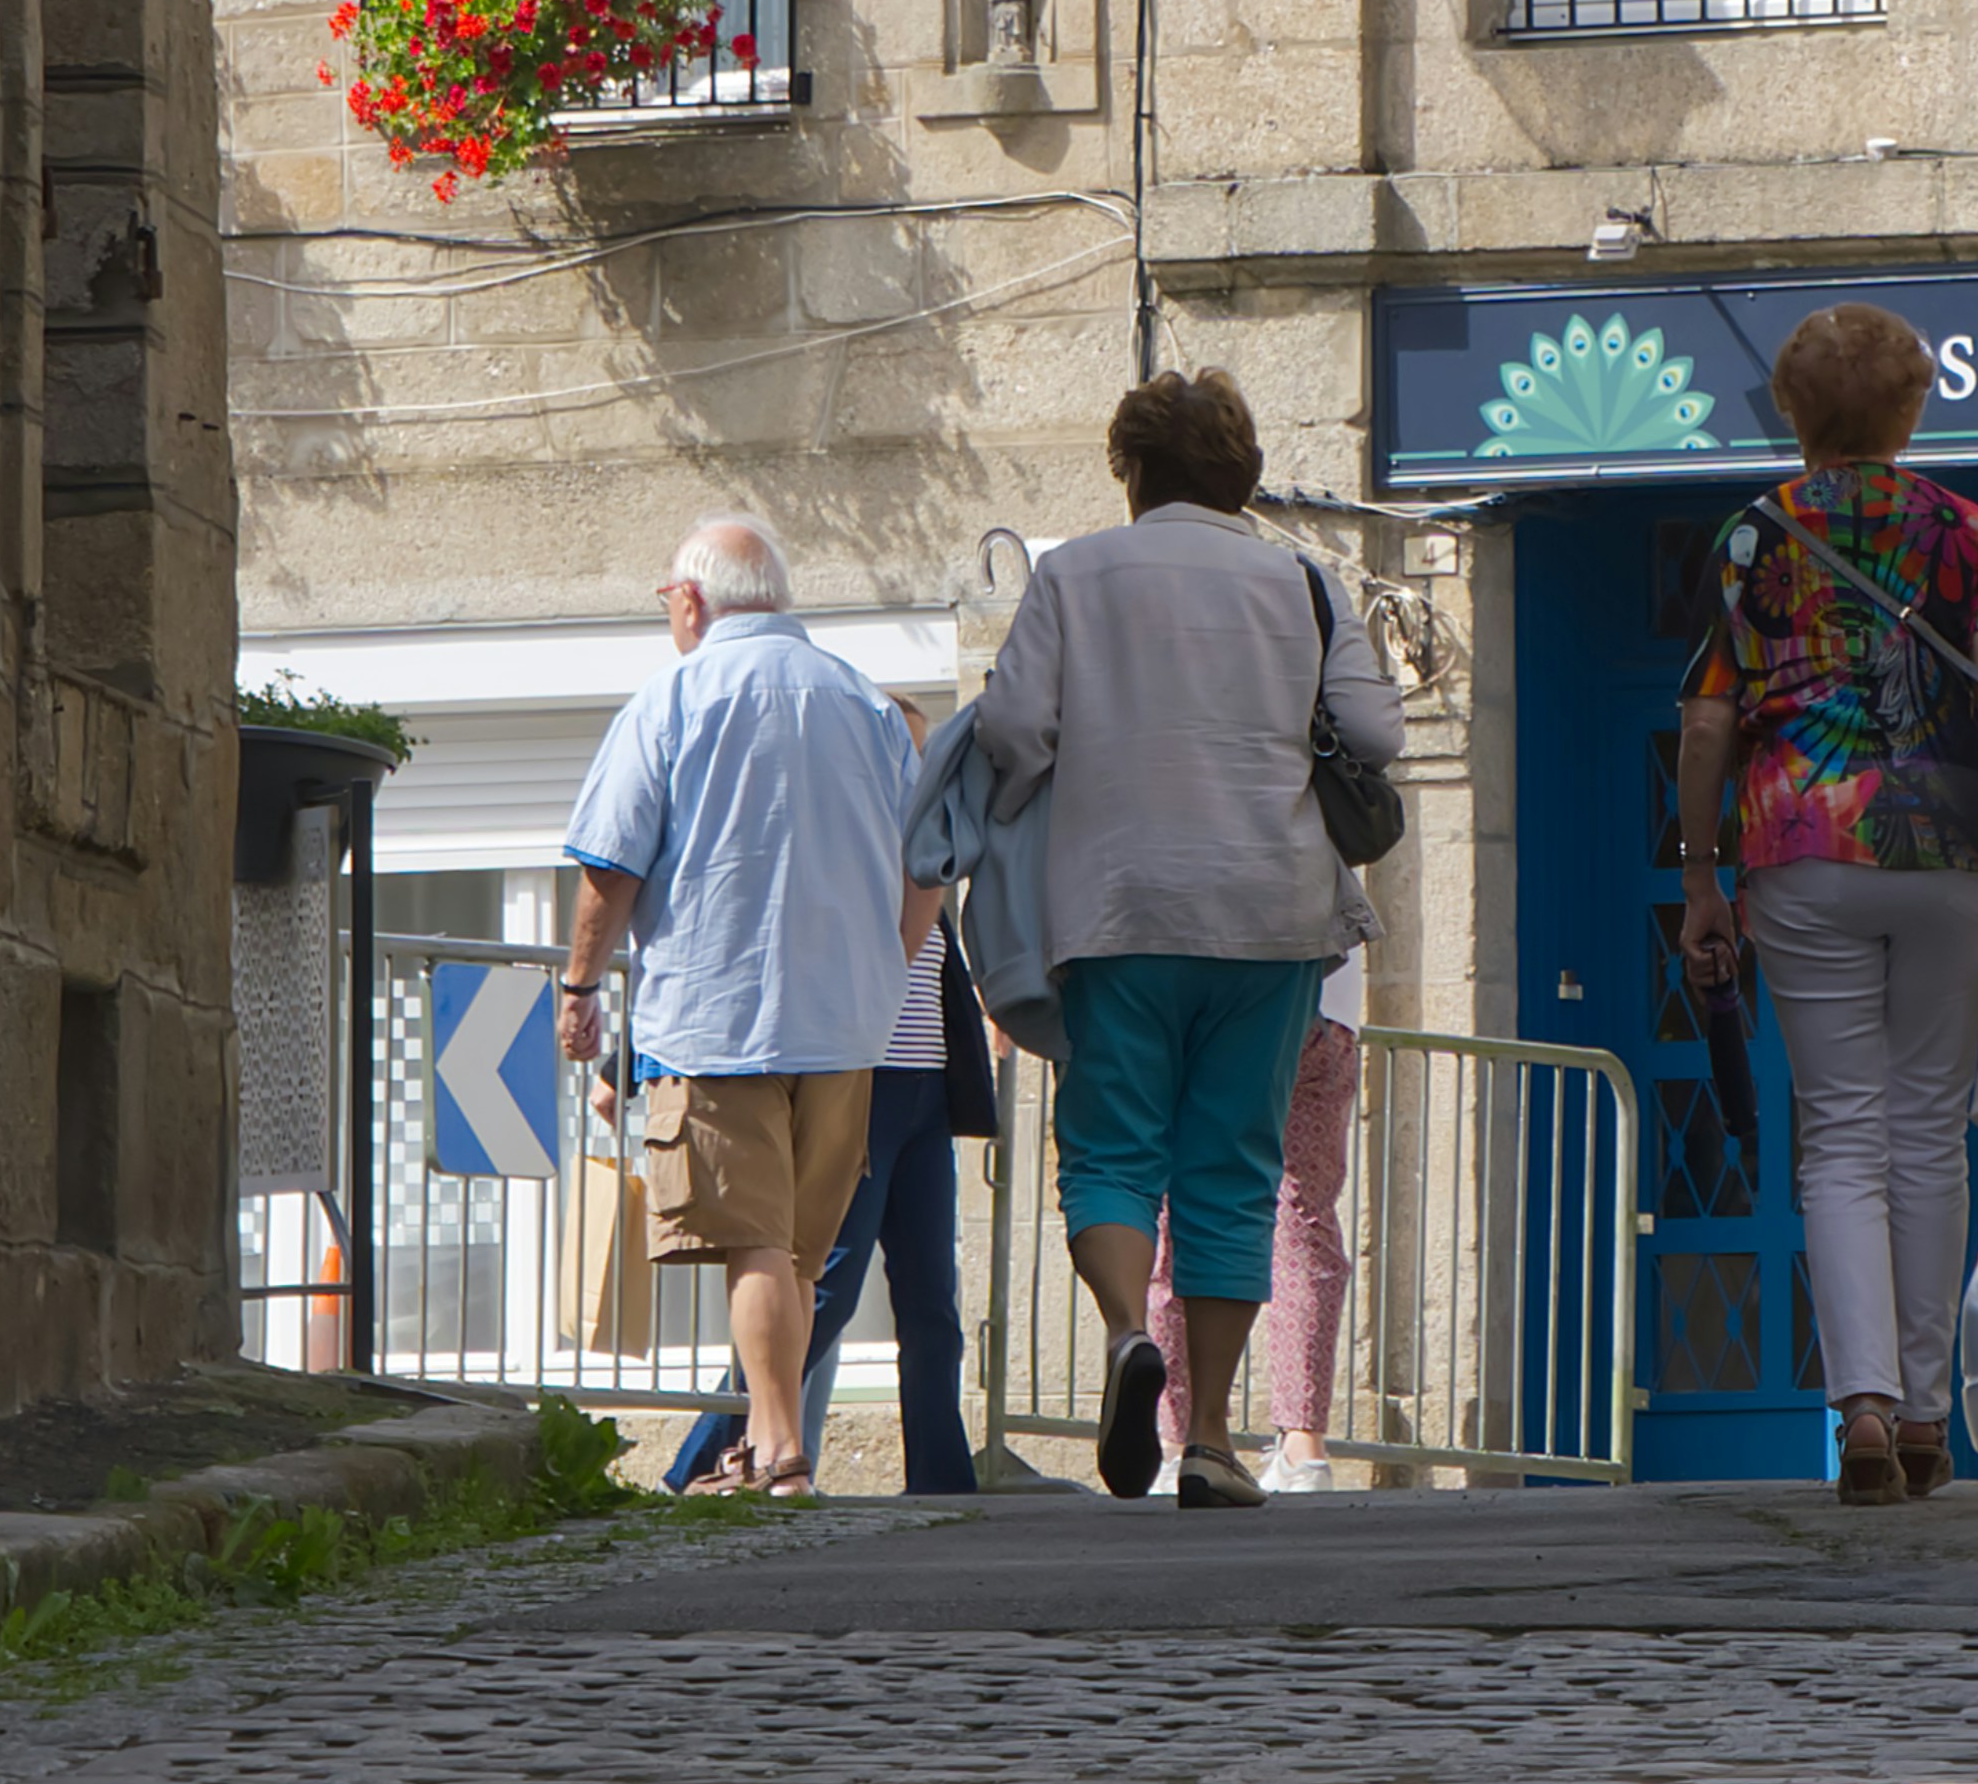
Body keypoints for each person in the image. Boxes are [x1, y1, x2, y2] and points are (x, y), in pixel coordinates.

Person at [1669, 303, 1978, 1506]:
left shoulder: (1751, 535)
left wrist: (1699, 874)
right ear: (1910, 407)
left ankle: (1861, 1407)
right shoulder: (1963, 529)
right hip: (1949, 843)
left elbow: (1705, 719)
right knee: (1928, 1126)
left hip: (1800, 844)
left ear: (1791, 410)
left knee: (1841, 1129)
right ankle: (1930, 1411)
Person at [980, 368, 1401, 1509]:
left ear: (1130, 469)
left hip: (1117, 907)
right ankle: (1212, 1438)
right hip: (1270, 913)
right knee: (1232, 1166)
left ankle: (1130, 1333)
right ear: (1242, 473)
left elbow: (1013, 730)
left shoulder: (1072, 575)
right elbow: (1373, 733)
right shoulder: (1302, 580)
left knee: (1114, 1149)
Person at [556, 515, 937, 1500]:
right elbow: (928, 864)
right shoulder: (864, 702)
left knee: (758, 1240)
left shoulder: (674, 697)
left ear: (690, 600)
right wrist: (887, 968)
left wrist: (580, 985)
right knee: (797, 1254)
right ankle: (768, 1446)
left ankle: (775, 1450)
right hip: (846, 1024)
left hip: (718, 1017)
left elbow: (610, 865)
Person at [665, 912, 995, 1495]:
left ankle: (942, 1481)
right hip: (859, 1080)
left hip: (928, 1085)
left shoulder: (924, 864)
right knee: (824, 1287)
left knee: (931, 1302)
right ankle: (705, 1459)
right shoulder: (854, 859)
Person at [1144, 945, 1364, 1491]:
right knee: (1305, 1222)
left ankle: (1178, 1442)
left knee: (1178, 1219)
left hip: (1220, 1008)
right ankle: (1303, 1446)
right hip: (1325, 1011)